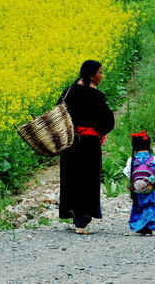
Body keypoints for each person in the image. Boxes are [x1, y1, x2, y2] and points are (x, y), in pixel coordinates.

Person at [58, 60, 115, 235]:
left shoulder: (68, 91)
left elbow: (58, 113)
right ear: (91, 74)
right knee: (88, 180)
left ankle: (76, 217)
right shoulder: (96, 95)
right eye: (100, 72)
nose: (101, 76)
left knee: (71, 178)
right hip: (89, 143)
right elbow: (107, 122)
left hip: (70, 143)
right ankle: (82, 223)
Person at [123, 130, 155, 236]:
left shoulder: (132, 159)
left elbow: (127, 172)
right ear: (149, 145)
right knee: (151, 205)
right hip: (151, 187)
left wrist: (137, 180)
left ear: (134, 146)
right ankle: (149, 228)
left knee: (139, 206)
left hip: (137, 187)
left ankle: (139, 226)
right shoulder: (153, 158)